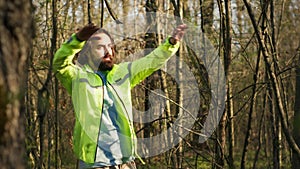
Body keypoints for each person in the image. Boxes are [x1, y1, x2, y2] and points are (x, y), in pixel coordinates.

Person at [53, 23, 187, 169]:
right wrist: (77, 40)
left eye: (110, 46)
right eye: (100, 47)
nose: (108, 51)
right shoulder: (78, 77)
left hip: (125, 161)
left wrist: (171, 44)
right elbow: (60, 63)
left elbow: (152, 61)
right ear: (87, 52)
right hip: (94, 163)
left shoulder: (123, 73)